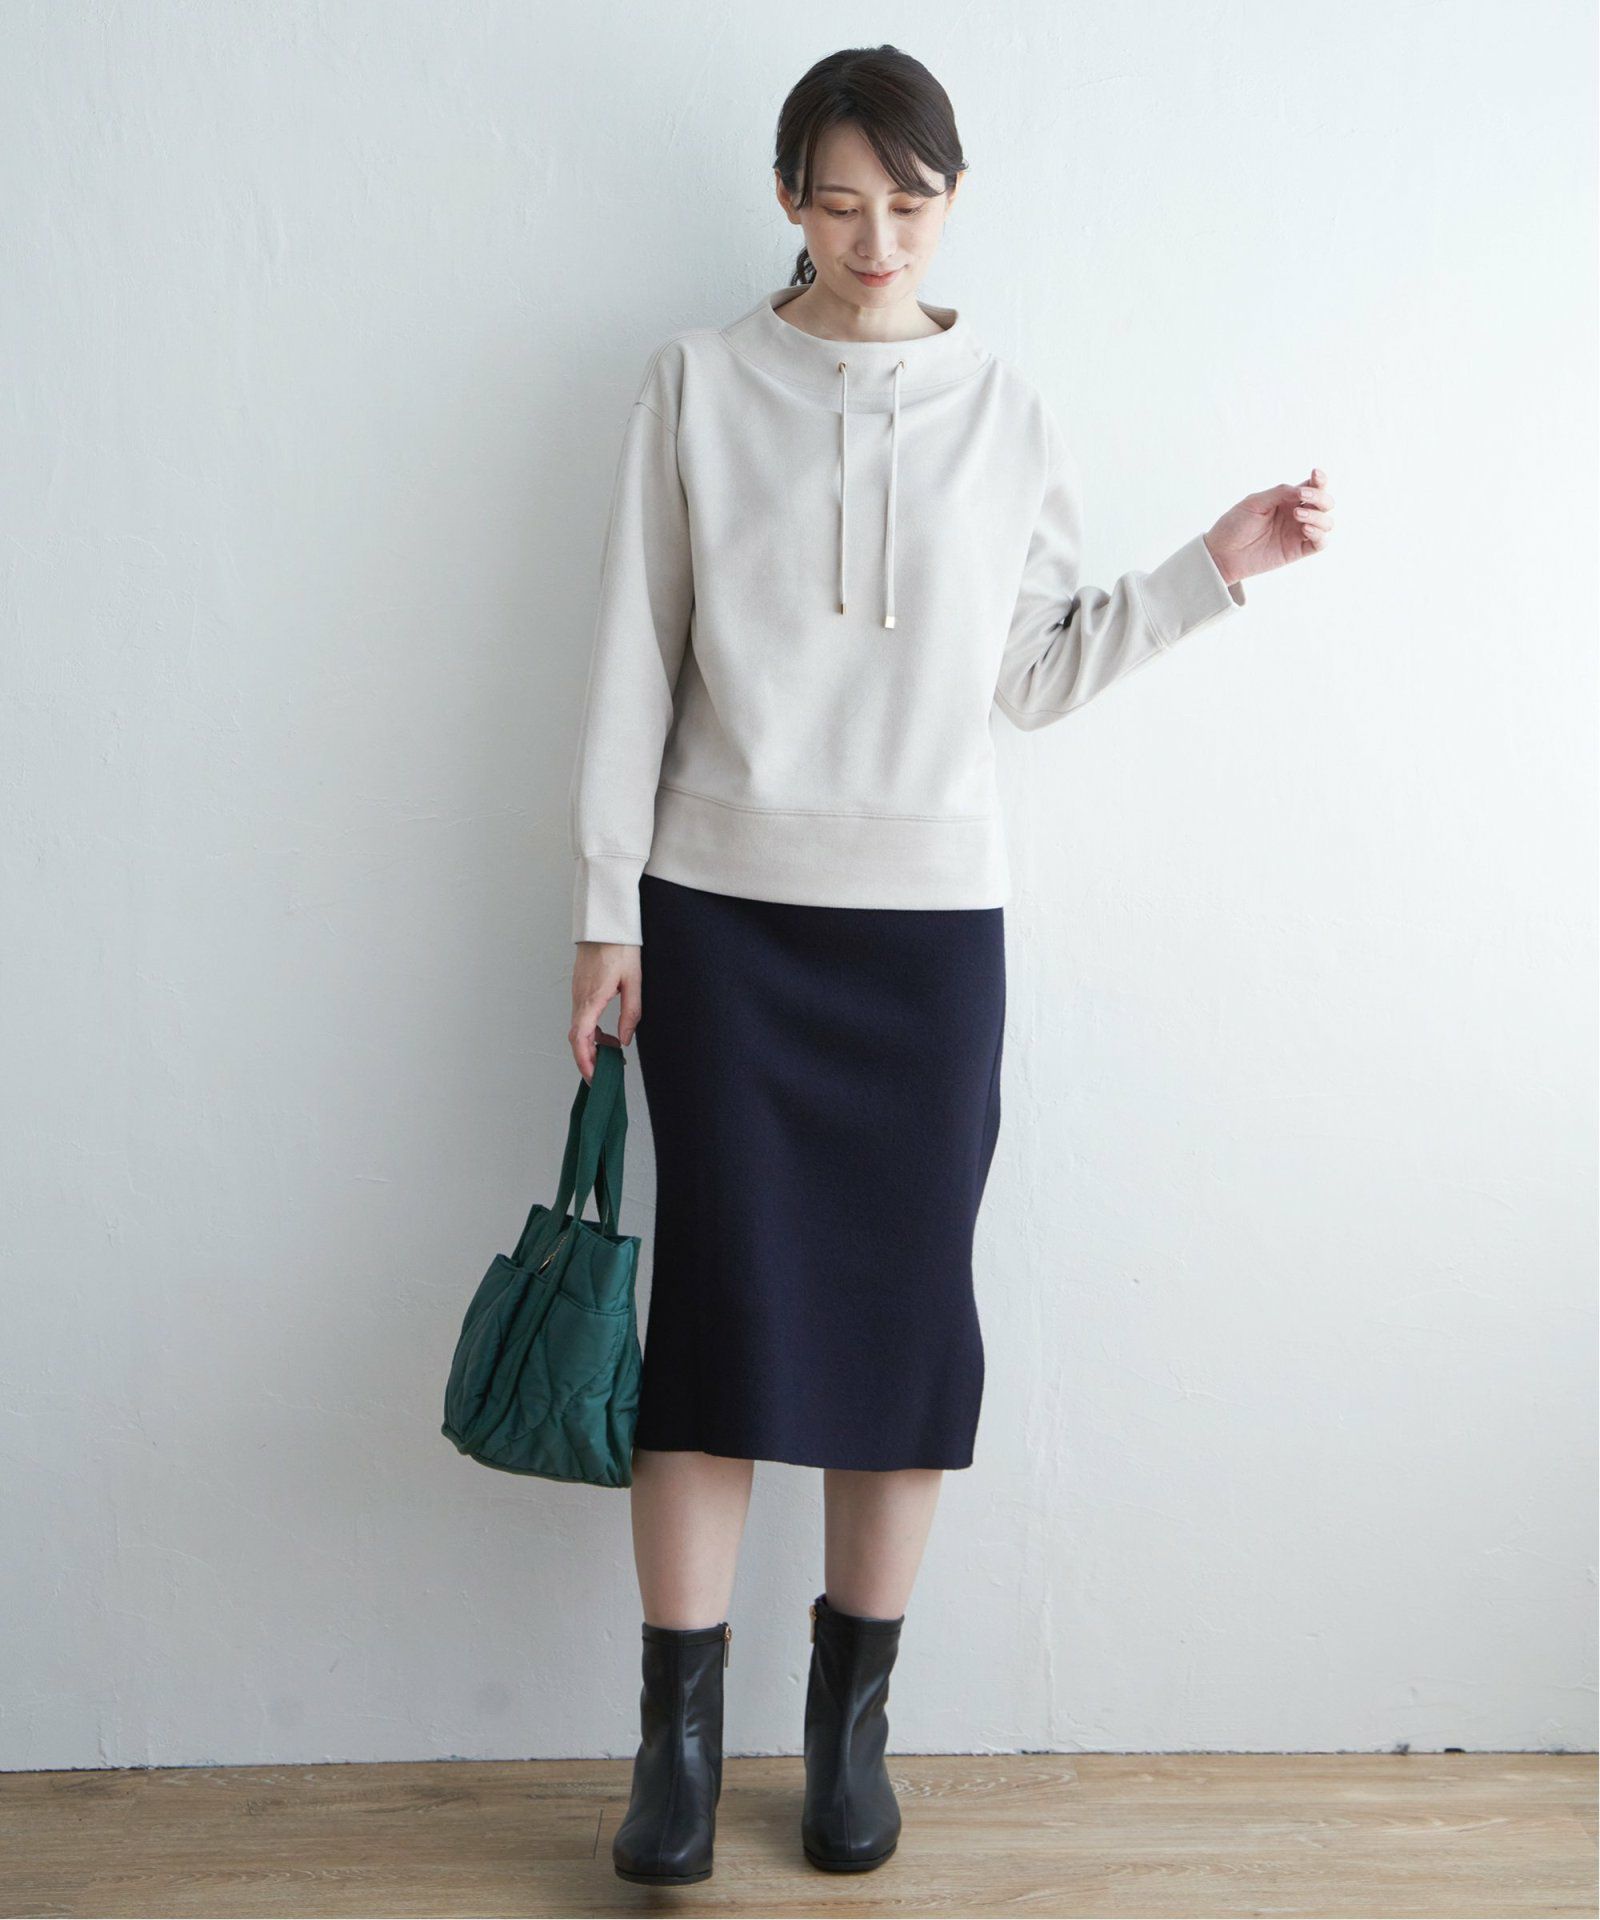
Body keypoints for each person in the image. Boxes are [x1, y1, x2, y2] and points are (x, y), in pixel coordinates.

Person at [563, 44, 1333, 1887]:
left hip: (927, 940)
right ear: (788, 200)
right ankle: (676, 1754)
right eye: (840, 203)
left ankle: (850, 1737)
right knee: (716, 1322)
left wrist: (1208, 570)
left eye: (909, 204)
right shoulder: (695, 385)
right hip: (722, 917)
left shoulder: (1006, 409)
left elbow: (1032, 674)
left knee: (901, 1328)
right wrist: (605, 905)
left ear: (952, 199)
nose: (877, 239)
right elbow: (631, 656)